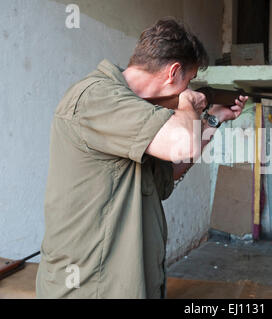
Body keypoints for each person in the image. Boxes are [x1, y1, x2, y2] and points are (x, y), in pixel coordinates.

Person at [36, 18, 248, 299]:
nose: (190, 89)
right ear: (173, 72)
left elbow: (170, 171)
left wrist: (214, 118)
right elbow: (183, 146)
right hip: (91, 288)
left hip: (133, 282)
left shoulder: (139, 113)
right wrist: (186, 104)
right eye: (189, 80)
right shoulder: (97, 97)